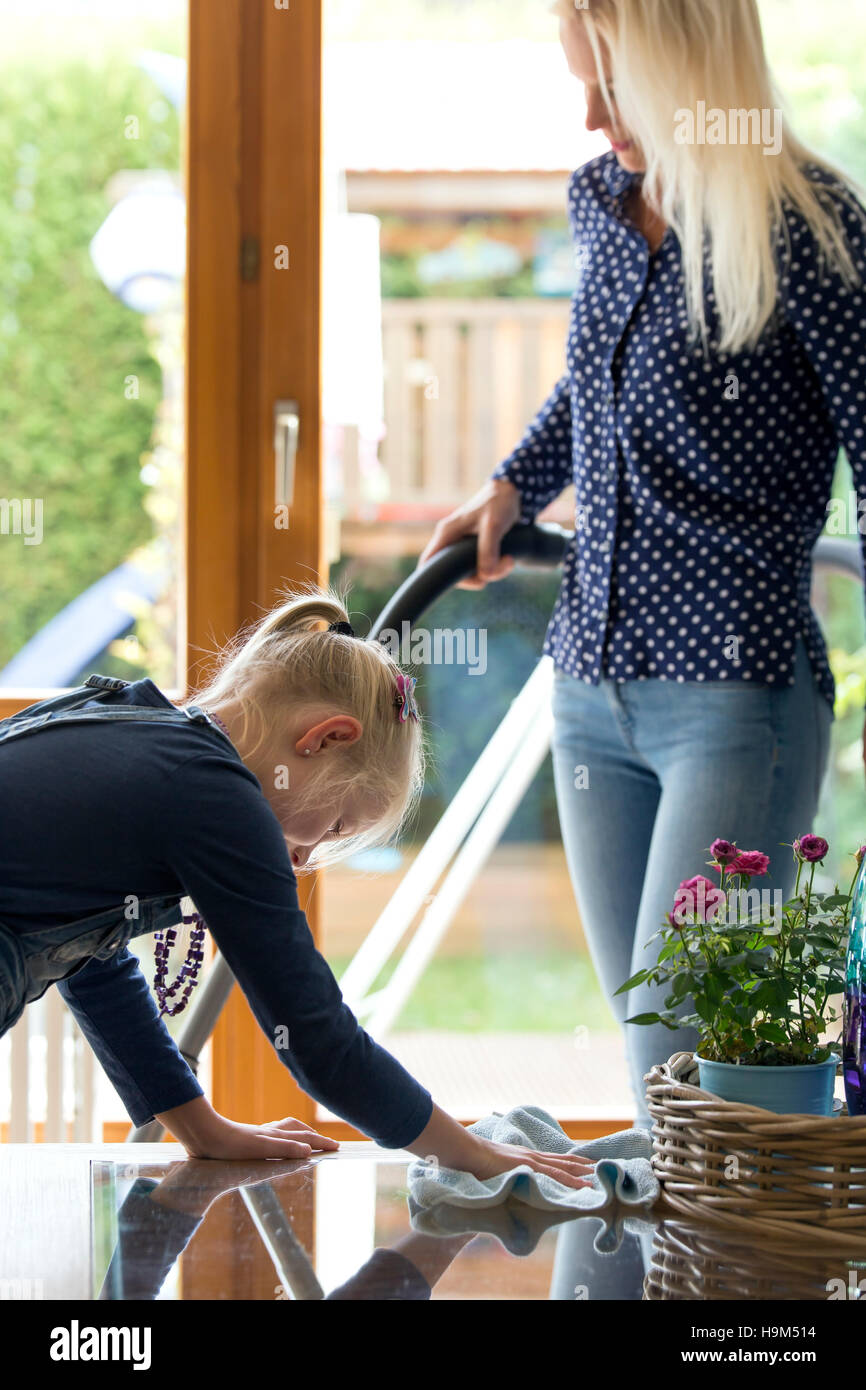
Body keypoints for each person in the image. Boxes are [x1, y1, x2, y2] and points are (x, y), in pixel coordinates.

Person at [419, 0, 866, 1122]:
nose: (587, 116)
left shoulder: (809, 228)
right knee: (649, 1058)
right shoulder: (605, 203)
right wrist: (510, 484)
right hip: (587, 686)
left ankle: (744, 1286)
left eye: (609, 88)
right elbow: (593, 386)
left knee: (684, 1068)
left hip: (733, 700)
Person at [0, 586, 594, 1187]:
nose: (306, 855)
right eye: (335, 826)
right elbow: (318, 1039)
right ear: (325, 738)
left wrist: (201, 1129)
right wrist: (472, 1154)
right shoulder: (213, 793)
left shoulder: (121, 721)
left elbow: (90, 961)